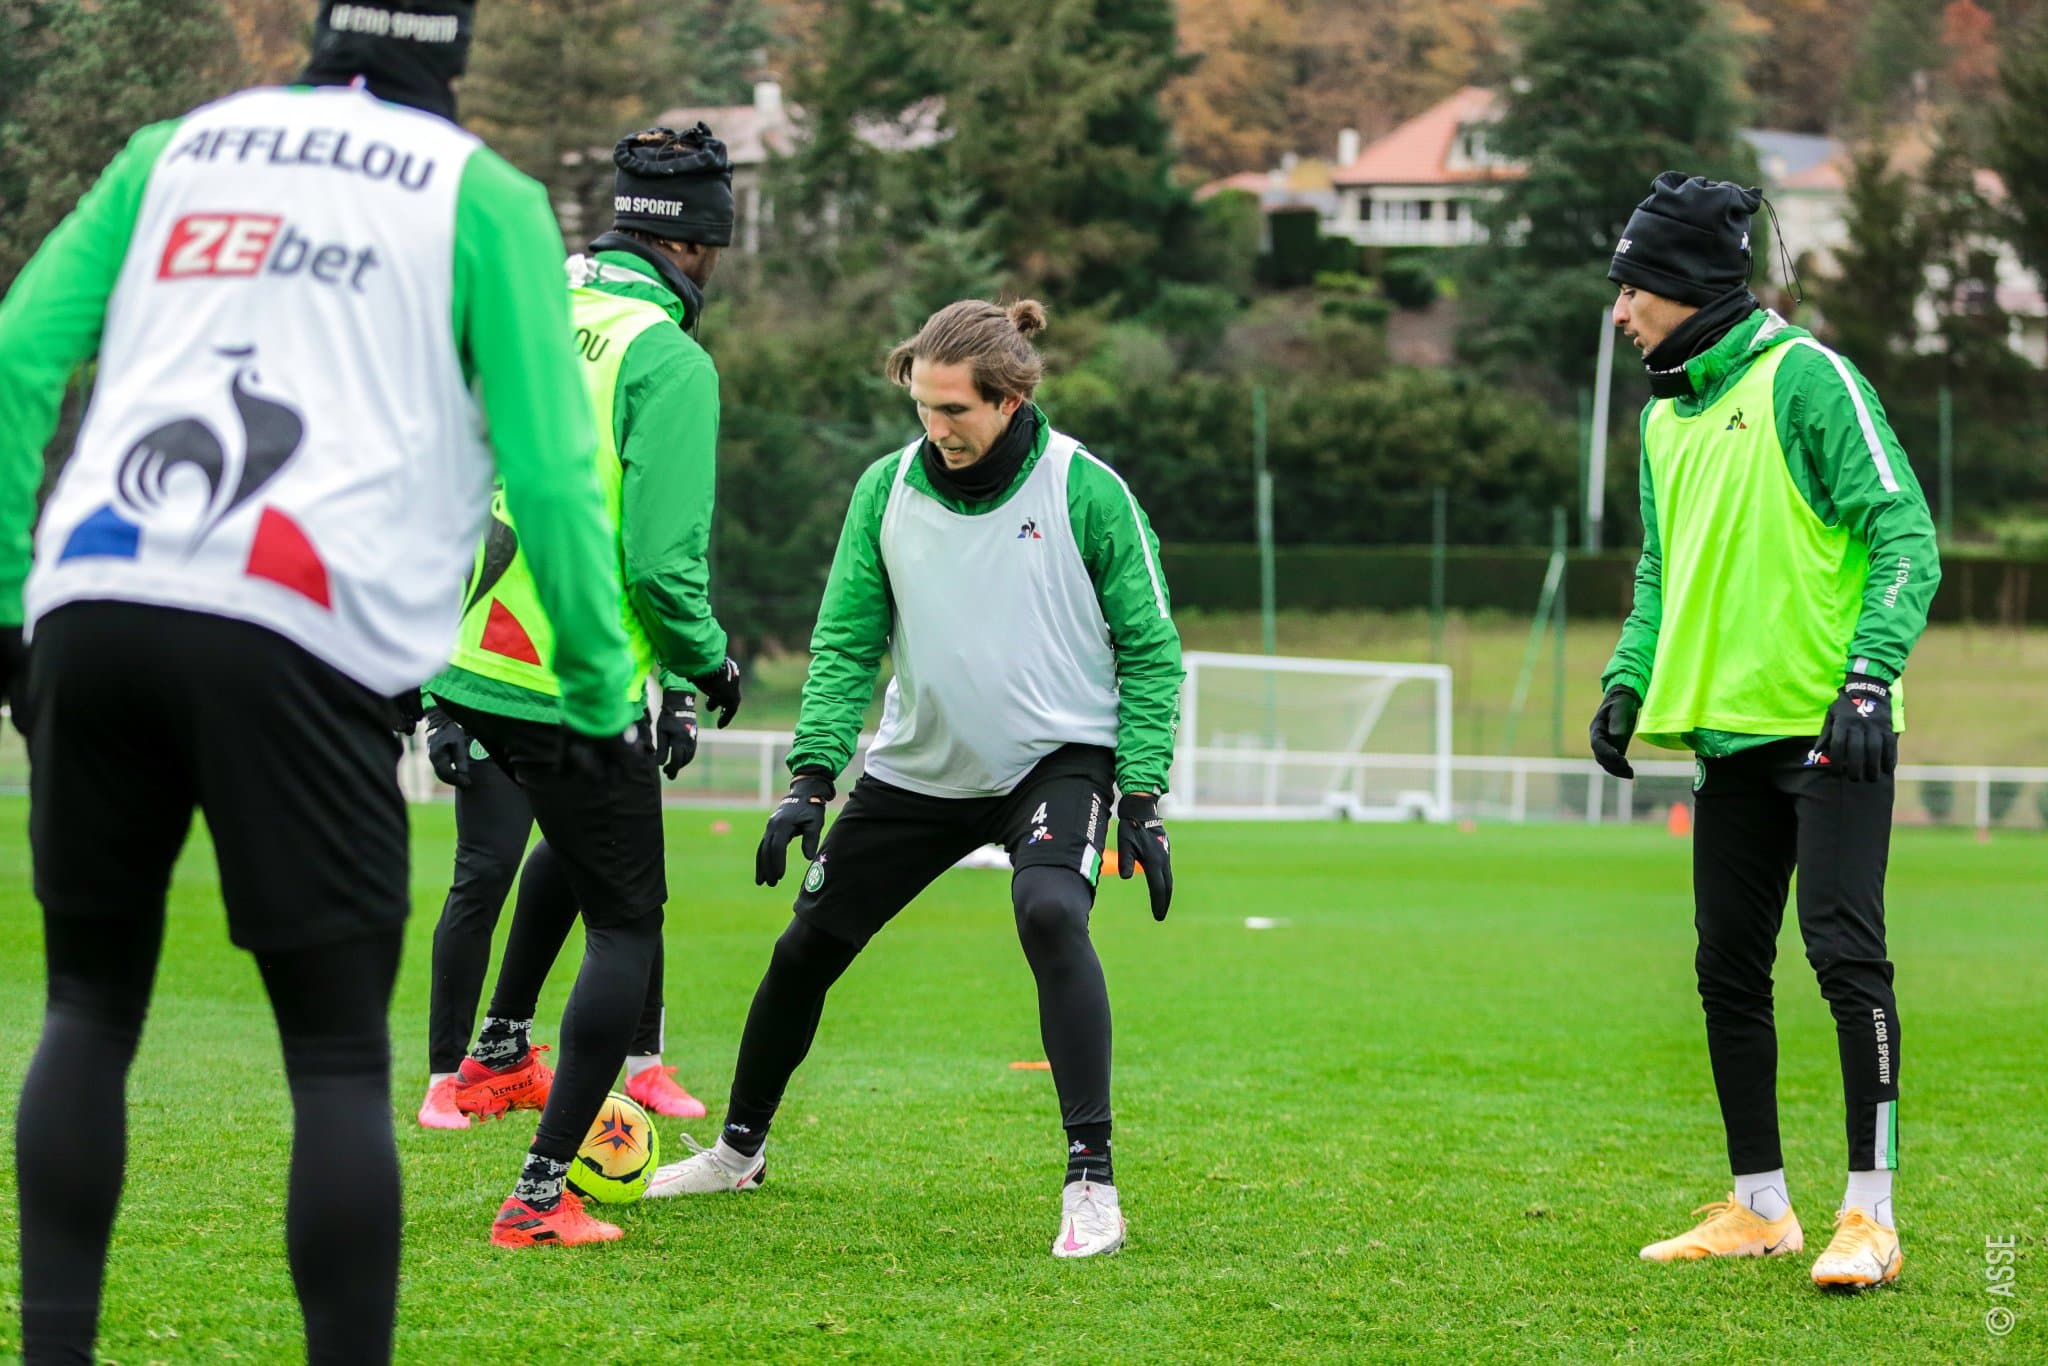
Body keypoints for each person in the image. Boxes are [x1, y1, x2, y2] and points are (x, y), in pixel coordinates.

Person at [0, 1, 640, 1358]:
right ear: (457, 49)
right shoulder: (484, 195)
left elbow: (14, 354)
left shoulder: (174, 145)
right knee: (338, 1062)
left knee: (88, 1009)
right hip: (302, 625)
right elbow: (553, 475)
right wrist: (592, 694)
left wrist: (10, 611)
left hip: (97, 599)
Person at [642, 298, 1182, 1261]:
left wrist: (1141, 795)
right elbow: (848, 640)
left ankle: (1092, 1182)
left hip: (1058, 758)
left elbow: (1150, 649)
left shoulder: (1085, 490)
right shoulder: (884, 489)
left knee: (1052, 915)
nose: (935, 429)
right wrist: (810, 776)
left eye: (955, 411)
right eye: (922, 408)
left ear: (1010, 400)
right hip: (923, 765)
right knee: (805, 950)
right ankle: (737, 1151)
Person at [1589, 172, 1939, 1289]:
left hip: (1831, 732)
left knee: (1845, 961)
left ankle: (1869, 1215)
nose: (1618, 310)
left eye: (1630, 285)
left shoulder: (1807, 381)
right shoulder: (1660, 419)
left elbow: (1903, 534)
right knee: (1724, 971)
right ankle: (1757, 1208)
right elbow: (1660, 573)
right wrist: (1625, 680)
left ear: (1687, 283)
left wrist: (1869, 682)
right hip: (1725, 741)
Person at [424, 124, 743, 1249]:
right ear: (701, 248)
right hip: (572, 678)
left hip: (470, 663)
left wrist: (431, 672)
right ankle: (540, 1191)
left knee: (580, 843)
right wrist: (709, 662)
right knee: (628, 924)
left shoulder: (530, 312)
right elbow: (661, 566)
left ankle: (496, 1049)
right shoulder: (667, 360)